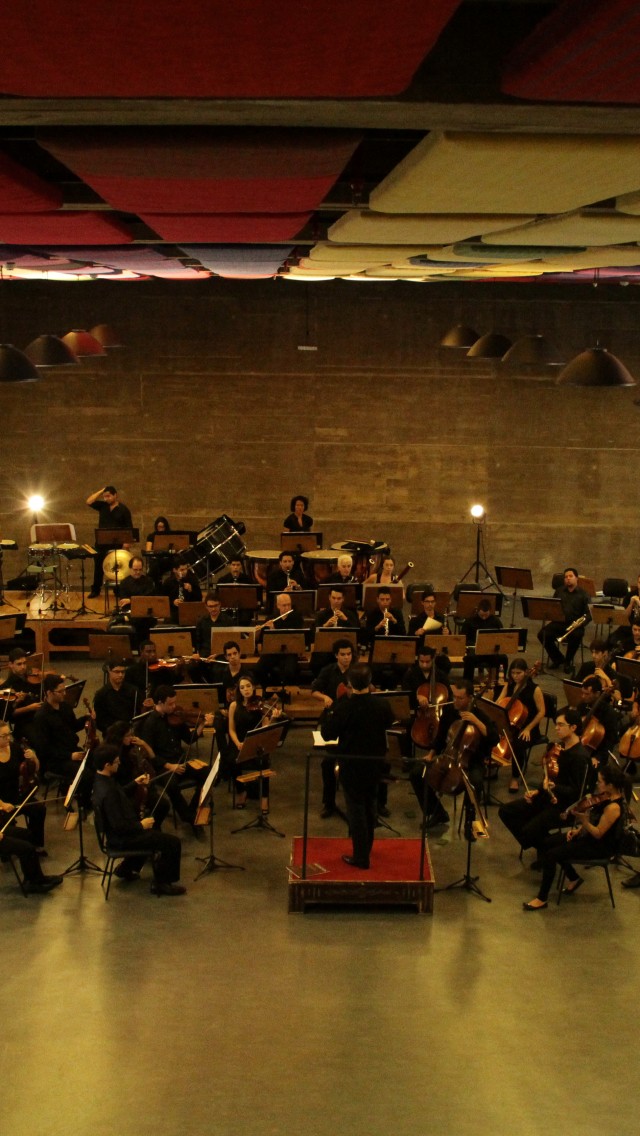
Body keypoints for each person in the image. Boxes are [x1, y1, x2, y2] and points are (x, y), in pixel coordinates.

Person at [523, 764, 628, 910]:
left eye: (600, 781)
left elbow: (598, 833)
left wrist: (584, 821)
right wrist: (578, 830)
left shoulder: (613, 808)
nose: (597, 784)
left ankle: (542, 899)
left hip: (599, 847)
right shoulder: (606, 796)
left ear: (610, 785)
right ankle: (574, 877)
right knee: (548, 843)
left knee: (552, 855)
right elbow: (595, 821)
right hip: (588, 836)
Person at [320, 665, 394, 869]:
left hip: (352, 764)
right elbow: (389, 723)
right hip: (375, 763)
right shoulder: (382, 704)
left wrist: (330, 713)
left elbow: (327, 734)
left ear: (350, 684)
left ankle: (361, 857)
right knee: (370, 805)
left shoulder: (345, 707)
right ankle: (366, 848)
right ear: (370, 682)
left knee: (356, 810)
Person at [498, 708, 590, 864]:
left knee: (528, 831)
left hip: (563, 807)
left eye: (561, 725)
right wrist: (538, 791)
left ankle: (547, 848)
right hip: (546, 798)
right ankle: (546, 847)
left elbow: (576, 792)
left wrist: (553, 788)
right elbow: (549, 777)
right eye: (556, 724)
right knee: (505, 811)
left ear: (573, 727)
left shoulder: (580, 757)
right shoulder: (558, 748)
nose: (556, 728)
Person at [92, 743, 185, 895]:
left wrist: (134, 783)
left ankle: (125, 868)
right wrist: (141, 825)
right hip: (121, 839)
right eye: (116, 761)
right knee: (172, 843)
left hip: (118, 834)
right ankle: (162, 883)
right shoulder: (108, 792)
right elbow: (119, 826)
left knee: (154, 833)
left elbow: (119, 793)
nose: (119, 763)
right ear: (107, 765)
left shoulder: (101, 781)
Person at [408, 678, 498, 829]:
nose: (455, 700)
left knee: (475, 782)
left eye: (460, 698)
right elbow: (440, 736)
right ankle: (437, 812)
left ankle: (470, 821)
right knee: (417, 773)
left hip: (472, 761)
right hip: (448, 756)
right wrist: (431, 754)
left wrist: (476, 721)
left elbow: (494, 738)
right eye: (454, 696)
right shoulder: (449, 711)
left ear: (470, 698)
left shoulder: (480, 715)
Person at [137, 685, 212, 828]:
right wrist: (170, 766)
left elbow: (189, 739)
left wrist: (202, 723)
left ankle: (193, 807)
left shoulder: (175, 718)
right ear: (160, 703)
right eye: (170, 704)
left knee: (208, 772)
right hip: (163, 767)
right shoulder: (150, 723)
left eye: (175, 702)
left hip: (180, 762)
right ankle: (187, 816)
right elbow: (149, 755)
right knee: (172, 786)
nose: (174, 706)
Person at [311, 639, 356, 817]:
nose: (346, 658)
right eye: (343, 654)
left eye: (349, 654)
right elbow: (314, 691)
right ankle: (329, 803)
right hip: (332, 720)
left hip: (351, 722)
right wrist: (324, 698)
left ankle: (355, 804)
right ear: (336, 655)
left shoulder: (357, 672)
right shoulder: (328, 671)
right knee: (327, 763)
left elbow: (370, 689)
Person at [492, 659, 545, 794]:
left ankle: (515, 777)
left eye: (519, 673)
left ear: (526, 672)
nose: (515, 676)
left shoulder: (535, 689)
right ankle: (492, 766)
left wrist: (528, 729)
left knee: (518, 745)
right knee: (490, 735)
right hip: (510, 724)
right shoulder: (509, 686)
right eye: (513, 673)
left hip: (528, 728)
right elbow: (498, 702)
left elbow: (541, 712)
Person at [228, 675, 281, 811]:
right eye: (242, 687)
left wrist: (273, 718)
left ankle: (264, 797)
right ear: (239, 690)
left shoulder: (260, 705)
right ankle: (241, 791)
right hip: (240, 742)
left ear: (253, 687)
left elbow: (265, 727)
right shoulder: (234, 706)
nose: (246, 689)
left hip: (256, 743)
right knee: (231, 761)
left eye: (248, 686)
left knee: (264, 761)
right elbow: (231, 729)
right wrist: (238, 743)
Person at [105, 720, 171, 827]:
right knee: (157, 806)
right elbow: (118, 783)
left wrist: (143, 744)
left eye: (132, 734)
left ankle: (154, 827)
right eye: (128, 736)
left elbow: (150, 758)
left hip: (138, 784)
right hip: (126, 791)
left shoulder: (130, 746)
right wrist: (136, 782)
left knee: (163, 804)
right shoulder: (113, 755)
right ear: (119, 737)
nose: (131, 738)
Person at [30, 674, 91, 789]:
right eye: (60, 691)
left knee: (96, 763)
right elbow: (43, 749)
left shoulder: (65, 707)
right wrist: (69, 756)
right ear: (49, 693)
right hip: (55, 760)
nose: (65, 693)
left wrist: (86, 718)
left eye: (64, 690)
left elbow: (73, 726)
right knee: (85, 774)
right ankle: (82, 798)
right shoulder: (41, 717)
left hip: (71, 750)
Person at [0, 721, 47, 852]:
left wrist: (34, 758)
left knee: (39, 809)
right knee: (7, 824)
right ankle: (11, 850)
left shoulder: (15, 748)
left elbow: (34, 769)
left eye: (9, 734)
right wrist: (2, 804)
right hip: (2, 802)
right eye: (4, 736)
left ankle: (35, 844)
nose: (8, 738)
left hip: (17, 794)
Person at [537, 567, 591, 674]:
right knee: (542, 634)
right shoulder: (559, 591)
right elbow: (553, 607)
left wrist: (580, 624)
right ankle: (558, 658)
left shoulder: (584, 594)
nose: (568, 579)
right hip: (559, 622)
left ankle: (568, 662)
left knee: (576, 636)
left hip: (575, 626)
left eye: (571, 576)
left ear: (576, 578)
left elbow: (589, 614)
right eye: (566, 577)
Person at [86, 484, 133, 598]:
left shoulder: (123, 509)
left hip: (117, 544)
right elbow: (89, 501)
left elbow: (129, 527)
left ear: (115, 495)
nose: (106, 499)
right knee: (98, 567)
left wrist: (126, 544)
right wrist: (102, 490)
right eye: (105, 497)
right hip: (101, 543)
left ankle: (118, 590)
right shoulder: (102, 506)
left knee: (116, 567)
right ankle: (96, 590)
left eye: (108, 496)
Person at [256, 593, 305, 688]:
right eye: (284, 605)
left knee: (289, 671)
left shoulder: (297, 618)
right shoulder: (271, 618)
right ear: (278, 605)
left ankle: (283, 692)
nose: (287, 608)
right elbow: (264, 641)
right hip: (273, 652)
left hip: (290, 652)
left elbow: (298, 638)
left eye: (289, 605)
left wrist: (274, 630)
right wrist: (259, 631)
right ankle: (269, 688)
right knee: (258, 669)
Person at [311, 586, 360, 674]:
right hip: (326, 648)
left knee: (350, 658)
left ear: (343, 599)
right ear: (329, 598)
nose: (336, 601)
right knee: (317, 659)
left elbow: (358, 633)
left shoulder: (350, 614)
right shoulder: (321, 615)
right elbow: (313, 634)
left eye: (339, 598)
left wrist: (346, 620)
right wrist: (326, 625)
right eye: (333, 598)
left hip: (345, 649)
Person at [0, 648, 43, 741]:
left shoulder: (32, 679)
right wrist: (29, 708)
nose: (23, 667)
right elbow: (8, 716)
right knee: (41, 740)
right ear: (11, 665)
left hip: (40, 717)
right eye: (19, 664)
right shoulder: (6, 687)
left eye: (24, 663)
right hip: (24, 723)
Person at [461, 598, 505, 682]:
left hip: (491, 652)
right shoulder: (470, 621)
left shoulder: (495, 621)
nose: (484, 618)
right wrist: (473, 644)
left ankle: (500, 682)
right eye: (482, 615)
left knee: (503, 658)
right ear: (478, 611)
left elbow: (501, 637)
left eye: (486, 615)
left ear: (490, 612)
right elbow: (463, 638)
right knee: (469, 659)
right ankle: (467, 683)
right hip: (475, 652)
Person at [93, 660, 139, 736]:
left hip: (130, 732)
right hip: (111, 734)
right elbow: (100, 721)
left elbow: (138, 713)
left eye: (123, 672)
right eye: (117, 672)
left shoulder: (133, 691)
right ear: (109, 671)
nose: (120, 675)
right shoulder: (101, 694)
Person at [161, 556, 202, 622]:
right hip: (173, 612)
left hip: (189, 611)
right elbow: (162, 600)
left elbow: (199, 599)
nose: (185, 572)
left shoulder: (192, 580)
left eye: (186, 569)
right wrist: (173, 602)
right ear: (174, 570)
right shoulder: (168, 582)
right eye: (182, 570)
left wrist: (191, 590)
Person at [145, 515, 174, 586]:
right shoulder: (151, 536)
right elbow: (148, 550)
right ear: (156, 527)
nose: (160, 529)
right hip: (156, 559)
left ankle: (154, 582)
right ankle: (157, 584)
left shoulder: (170, 536)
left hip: (167, 560)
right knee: (156, 565)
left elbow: (175, 549)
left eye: (162, 527)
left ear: (166, 527)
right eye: (159, 527)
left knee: (157, 566)